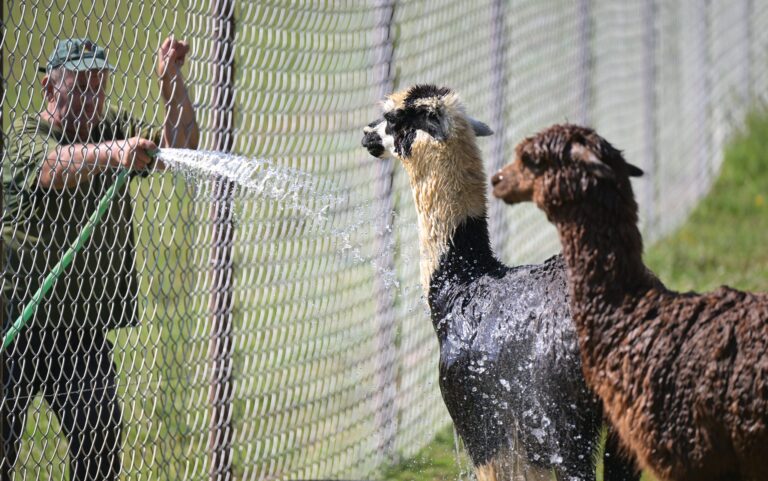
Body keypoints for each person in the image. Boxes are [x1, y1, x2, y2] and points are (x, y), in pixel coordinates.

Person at [1, 36, 199, 481]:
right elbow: (53, 167)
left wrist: (171, 82)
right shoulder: (25, 136)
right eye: (82, 86)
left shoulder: (109, 130)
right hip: (15, 322)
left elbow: (180, 148)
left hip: (79, 329)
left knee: (101, 440)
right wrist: (115, 153)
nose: (95, 99)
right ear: (51, 89)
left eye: (100, 86)